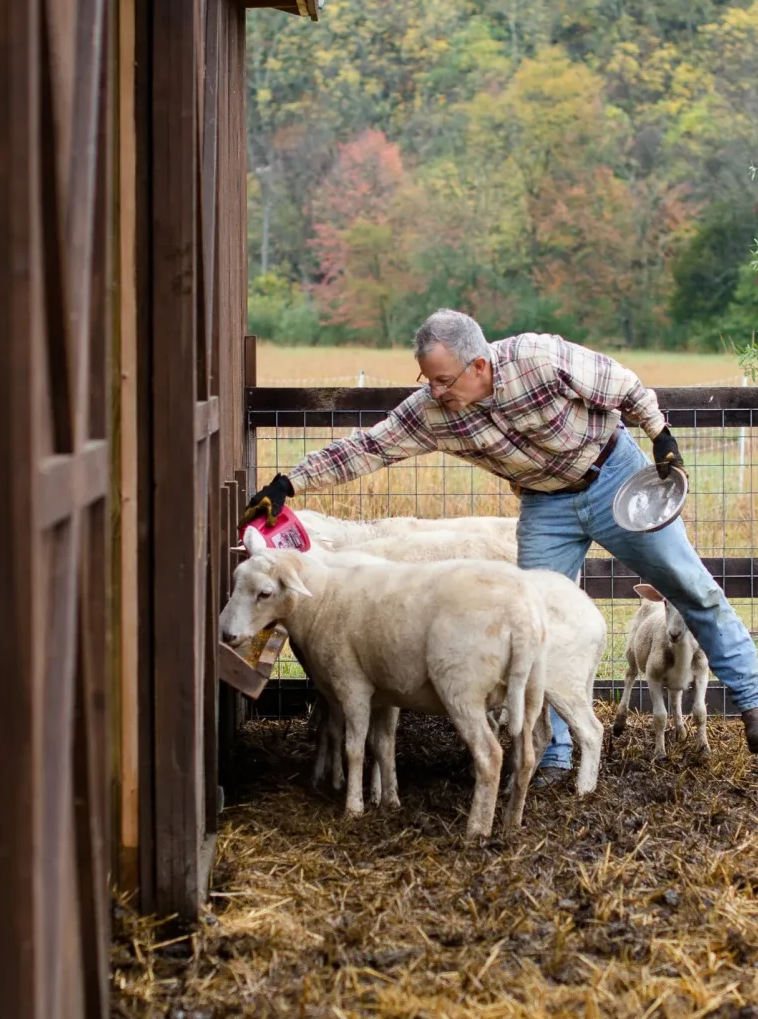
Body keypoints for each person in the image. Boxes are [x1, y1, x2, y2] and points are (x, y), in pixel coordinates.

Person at [240, 309, 758, 772]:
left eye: (443, 380)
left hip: (615, 477)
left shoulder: (540, 358)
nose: (435, 391)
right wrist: (289, 485)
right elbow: (369, 446)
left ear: (479, 365)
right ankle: (551, 754)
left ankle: (753, 700)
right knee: (535, 616)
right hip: (544, 504)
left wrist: (661, 433)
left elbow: (623, 385)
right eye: (428, 379)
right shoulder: (433, 411)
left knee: (692, 586)